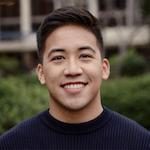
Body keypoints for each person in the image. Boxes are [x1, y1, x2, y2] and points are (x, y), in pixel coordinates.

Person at [0, 6, 149, 150]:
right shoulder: (11, 145)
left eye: (84, 56)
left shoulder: (140, 143)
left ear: (104, 68)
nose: (72, 70)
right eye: (58, 57)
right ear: (41, 73)